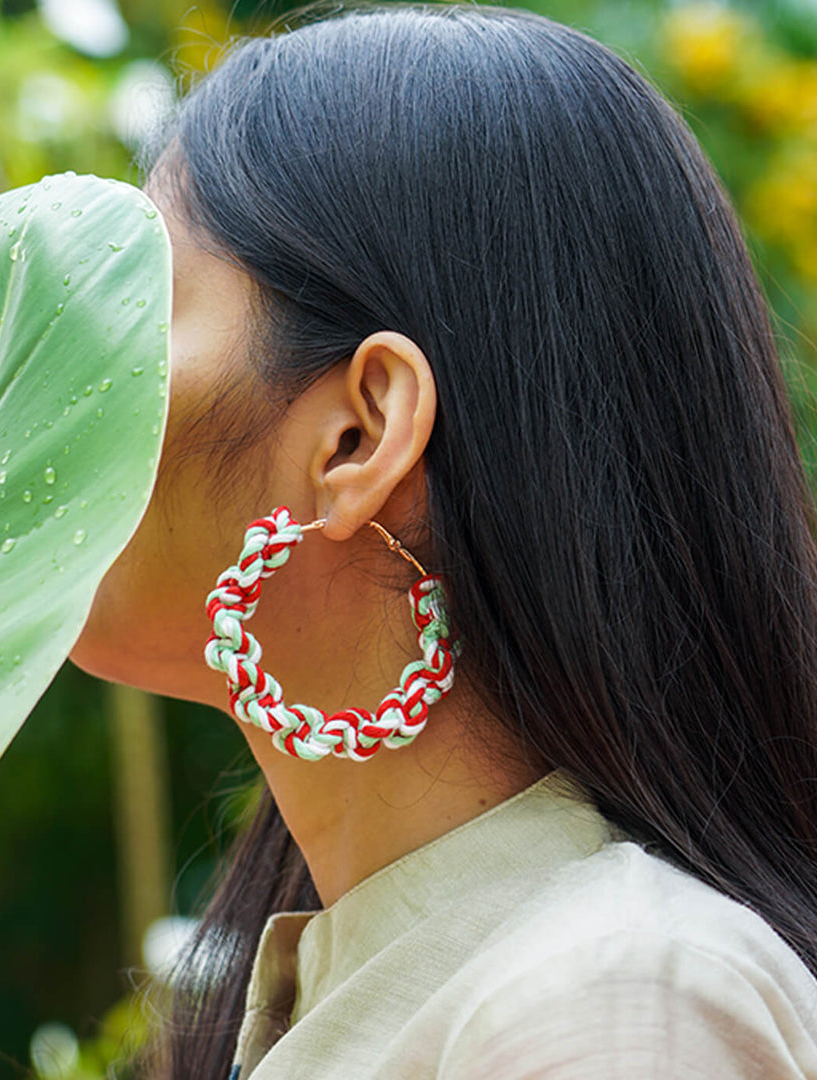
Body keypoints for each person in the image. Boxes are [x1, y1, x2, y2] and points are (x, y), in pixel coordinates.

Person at [68, 3, 817, 1076]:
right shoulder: (373, 978)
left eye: (135, 308)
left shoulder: (611, 1005)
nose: (61, 391)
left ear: (360, 433)